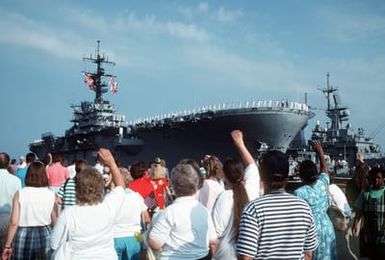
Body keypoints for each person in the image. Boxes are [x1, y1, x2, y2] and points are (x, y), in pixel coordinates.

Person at [237, 150, 318, 260]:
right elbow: (308, 254)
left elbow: (245, 257)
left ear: (261, 175)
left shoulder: (253, 209)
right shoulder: (304, 208)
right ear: (286, 176)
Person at [51, 148, 126, 259]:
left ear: (77, 188)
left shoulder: (68, 213)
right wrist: (111, 163)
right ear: (101, 187)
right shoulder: (108, 207)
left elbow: (54, 244)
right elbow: (121, 187)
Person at [147, 164, 218, 259]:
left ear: (174, 187)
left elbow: (155, 243)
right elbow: (213, 241)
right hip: (202, 256)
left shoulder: (170, 212)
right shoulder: (203, 210)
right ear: (196, 185)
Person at [211, 130, 260, 260]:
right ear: (242, 173)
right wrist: (240, 143)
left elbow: (216, 233)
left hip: (226, 255)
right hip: (250, 252)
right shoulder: (252, 188)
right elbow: (252, 165)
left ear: (225, 177)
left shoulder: (224, 197)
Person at [2, 161, 55, 260]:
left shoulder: (20, 193)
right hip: (45, 232)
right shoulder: (51, 194)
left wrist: (7, 245)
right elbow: (53, 218)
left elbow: (14, 222)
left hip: (23, 233)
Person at [293, 140, 336, 259]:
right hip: (327, 226)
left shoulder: (299, 193)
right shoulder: (323, 183)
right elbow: (324, 170)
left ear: (301, 175)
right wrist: (320, 152)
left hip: (310, 229)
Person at [113, 167, 150, 260]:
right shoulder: (137, 196)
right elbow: (146, 219)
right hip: (135, 236)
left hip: (115, 236)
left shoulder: (110, 197)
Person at [352, 167, 385, 259]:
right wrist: (355, 224)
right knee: (369, 255)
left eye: (379, 178)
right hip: (368, 233)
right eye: (374, 178)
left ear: (383, 179)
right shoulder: (365, 193)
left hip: (382, 234)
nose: (376, 180)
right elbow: (359, 211)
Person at [0, 152, 21, 255]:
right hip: (9, 218)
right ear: (9, 163)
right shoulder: (16, 180)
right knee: (7, 250)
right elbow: (19, 202)